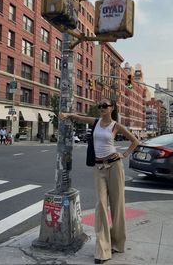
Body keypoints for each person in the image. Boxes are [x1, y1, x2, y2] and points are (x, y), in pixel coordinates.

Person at [59, 98, 139, 264]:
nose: (101, 108)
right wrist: (68, 115)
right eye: (99, 106)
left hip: (115, 166)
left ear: (112, 108)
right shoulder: (96, 122)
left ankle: (117, 243)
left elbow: (135, 141)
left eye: (105, 106)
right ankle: (102, 249)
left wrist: (123, 155)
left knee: (117, 205)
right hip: (98, 168)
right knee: (101, 205)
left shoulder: (116, 126)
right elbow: (80, 117)